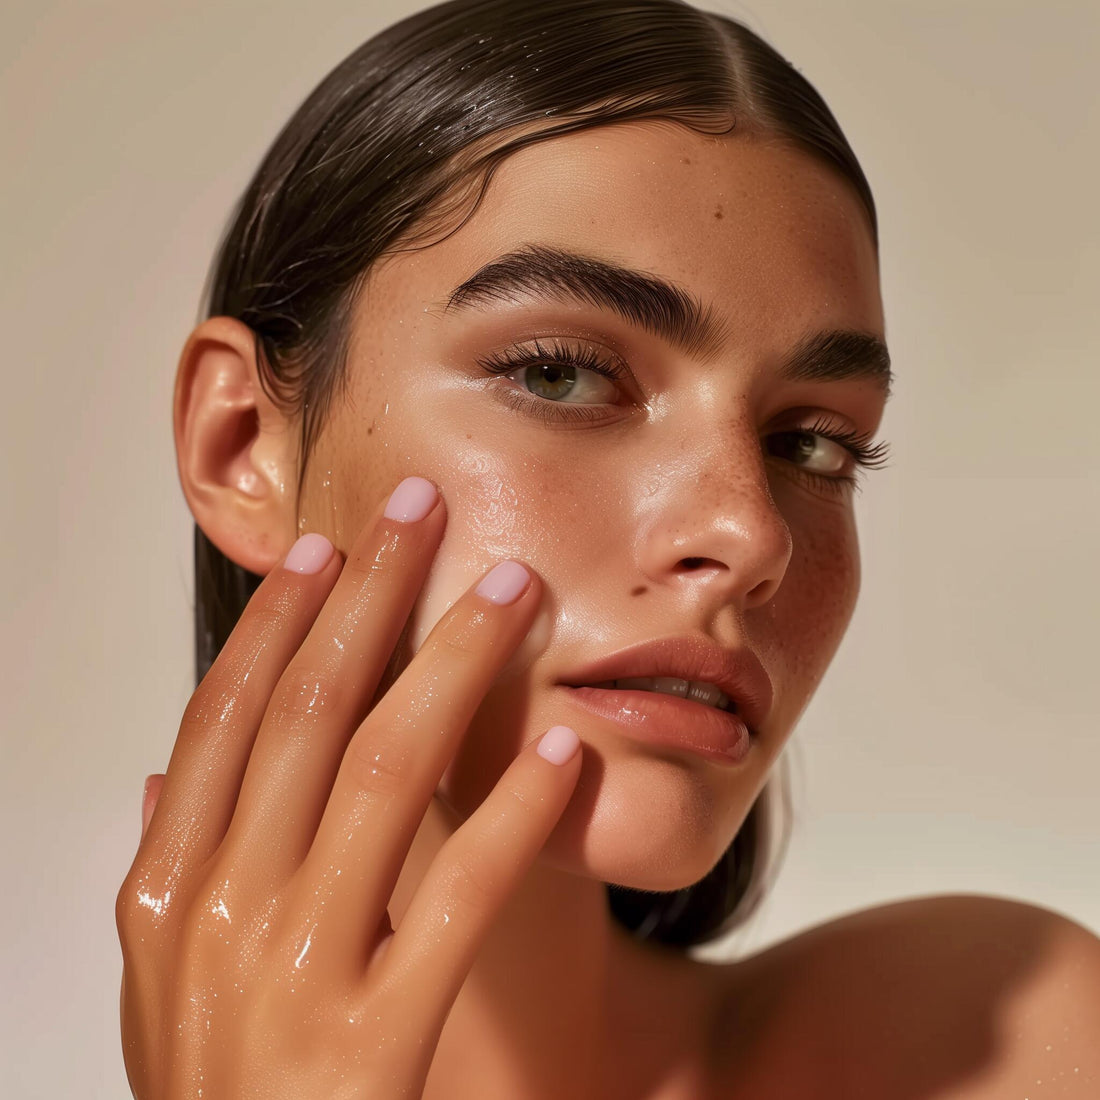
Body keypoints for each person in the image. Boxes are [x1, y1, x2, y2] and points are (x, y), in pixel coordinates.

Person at [115, 0, 1100, 1096]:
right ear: (241, 444)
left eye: (812, 443)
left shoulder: (990, 1043)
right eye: (558, 373)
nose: (748, 532)